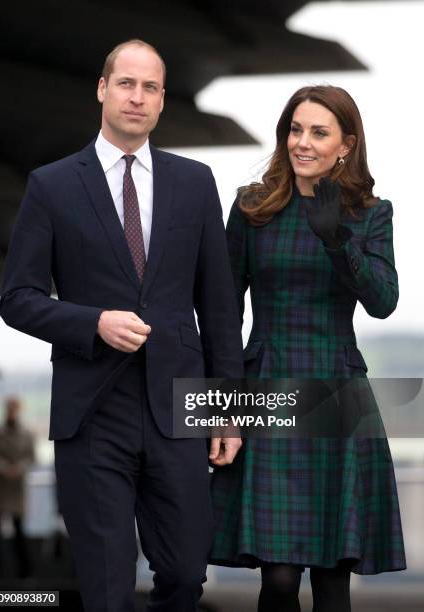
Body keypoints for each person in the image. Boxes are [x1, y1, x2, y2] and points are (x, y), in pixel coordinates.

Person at [0, 39, 243, 612]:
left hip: (179, 409)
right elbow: (17, 299)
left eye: (150, 87)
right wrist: (93, 322)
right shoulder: (52, 185)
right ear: (103, 89)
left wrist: (227, 410)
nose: (137, 97)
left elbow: (221, 307)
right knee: (105, 590)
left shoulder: (195, 182)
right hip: (91, 411)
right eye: (126, 84)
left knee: (185, 575)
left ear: (162, 102)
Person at [210, 85, 406, 612]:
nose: (302, 142)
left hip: (336, 387)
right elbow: (224, 314)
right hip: (266, 385)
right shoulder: (252, 207)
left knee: (331, 576)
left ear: (346, 143)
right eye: (295, 129)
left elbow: (384, 302)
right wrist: (221, 410)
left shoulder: (370, 213)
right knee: (276, 577)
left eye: (318, 132)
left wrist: (338, 240)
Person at [0, 397, 35, 578]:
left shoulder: (26, 433)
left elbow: (30, 458)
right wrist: (4, 468)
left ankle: (24, 573)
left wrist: (17, 469)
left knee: (19, 532)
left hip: (14, 489)